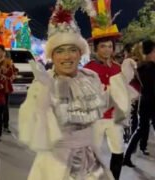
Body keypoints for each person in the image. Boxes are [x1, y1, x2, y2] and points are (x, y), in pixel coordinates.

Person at [19, 0, 134, 179]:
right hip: (56, 164)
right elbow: (32, 129)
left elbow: (100, 107)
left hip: (90, 160)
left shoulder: (89, 77)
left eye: (73, 49)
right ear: (52, 55)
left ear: (80, 53)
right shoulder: (44, 82)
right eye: (60, 51)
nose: (67, 56)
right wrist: (44, 95)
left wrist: (122, 81)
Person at [83, 1, 133, 179]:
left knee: (118, 151)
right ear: (95, 49)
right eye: (103, 46)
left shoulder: (118, 68)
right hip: (96, 118)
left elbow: (123, 93)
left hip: (114, 118)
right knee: (93, 153)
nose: (107, 49)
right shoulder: (88, 68)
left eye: (110, 46)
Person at [123, 39, 155, 167]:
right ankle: (126, 157)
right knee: (141, 129)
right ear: (152, 51)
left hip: (145, 102)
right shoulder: (149, 67)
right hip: (151, 102)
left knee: (140, 129)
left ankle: (126, 157)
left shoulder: (141, 66)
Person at [0, 44, 18, 133]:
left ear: (4, 52)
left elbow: (14, 72)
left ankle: (5, 125)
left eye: (0, 51)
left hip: (6, 87)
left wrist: (9, 72)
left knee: (5, 107)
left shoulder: (9, 62)